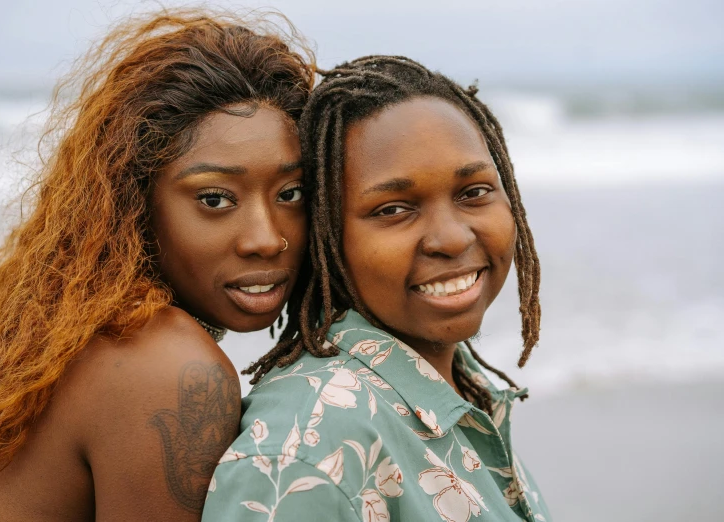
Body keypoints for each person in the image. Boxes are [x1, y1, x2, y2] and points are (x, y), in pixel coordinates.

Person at [0, 9, 313, 521]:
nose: (266, 239)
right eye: (214, 199)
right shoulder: (170, 370)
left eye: (292, 193)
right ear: (134, 202)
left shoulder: (74, 335)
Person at [203, 56, 550, 522]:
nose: (451, 238)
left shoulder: (459, 388)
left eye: (473, 192)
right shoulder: (307, 455)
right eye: (393, 209)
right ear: (326, 234)